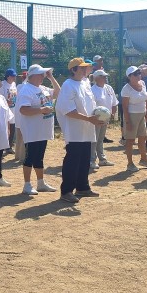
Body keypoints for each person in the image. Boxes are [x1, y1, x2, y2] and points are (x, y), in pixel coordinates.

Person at [57, 58, 103, 202]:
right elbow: (68, 111)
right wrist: (89, 119)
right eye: (81, 68)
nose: (85, 70)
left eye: (86, 68)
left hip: (87, 128)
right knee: (73, 161)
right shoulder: (68, 85)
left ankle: (83, 187)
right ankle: (66, 191)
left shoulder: (85, 83)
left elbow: (91, 104)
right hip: (74, 130)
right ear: (73, 70)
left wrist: (98, 116)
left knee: (84, 160)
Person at [16, 64, 60, 195]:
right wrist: (41, 110)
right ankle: (27, 184)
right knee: (30, 157)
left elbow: (58, 92)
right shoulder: (26, 89)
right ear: (32, 75)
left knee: (39, 157)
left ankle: (40, 183)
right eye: (40, 74)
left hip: (43, 129)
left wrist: (51, 77)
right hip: (32, 130)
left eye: (43, 74)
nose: (42, 76)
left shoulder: (43, 88)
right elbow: (23, 110)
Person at [120, 66, 147, 172]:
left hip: (141, 115)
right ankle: (130, 163)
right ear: (129, 77)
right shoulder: (126, 88)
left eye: (139, 73)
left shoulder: (142, 83)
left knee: (143, 138)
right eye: (136, 74)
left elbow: (146, 100)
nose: (139, 75)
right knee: (130, 140)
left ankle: (143, 159)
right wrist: (128, 121)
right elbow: (124, 106)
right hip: (131, 116)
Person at [90, 69, 118, 169]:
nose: (105, 77)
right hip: (96, 118)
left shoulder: (109, 88)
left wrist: (112, 114)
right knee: (94, 139)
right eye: (103, 76)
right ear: (96, 78)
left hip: (106, 118)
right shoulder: (92, 90)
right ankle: (92, 160)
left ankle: (102, 159)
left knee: (100, 139)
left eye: (105, 76)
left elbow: (114, 103)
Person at [0, 68, 18, 155]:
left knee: (12, 128)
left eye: (15, 76)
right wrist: (6, 101)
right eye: (13, 76)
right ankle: (2, 147)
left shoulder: (13, 84)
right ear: (8, 76)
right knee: (6, 128)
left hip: (13, 109)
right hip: (5, 110)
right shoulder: (2, 85)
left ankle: (9, 146)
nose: (14, 78)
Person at [13, 71, 28, 162]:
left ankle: (17, 155)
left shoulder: (18, 86)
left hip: (17, 113)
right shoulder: (28, 87)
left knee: (18, 137)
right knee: (24, 137)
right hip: (24, 115)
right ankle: (22, 157)